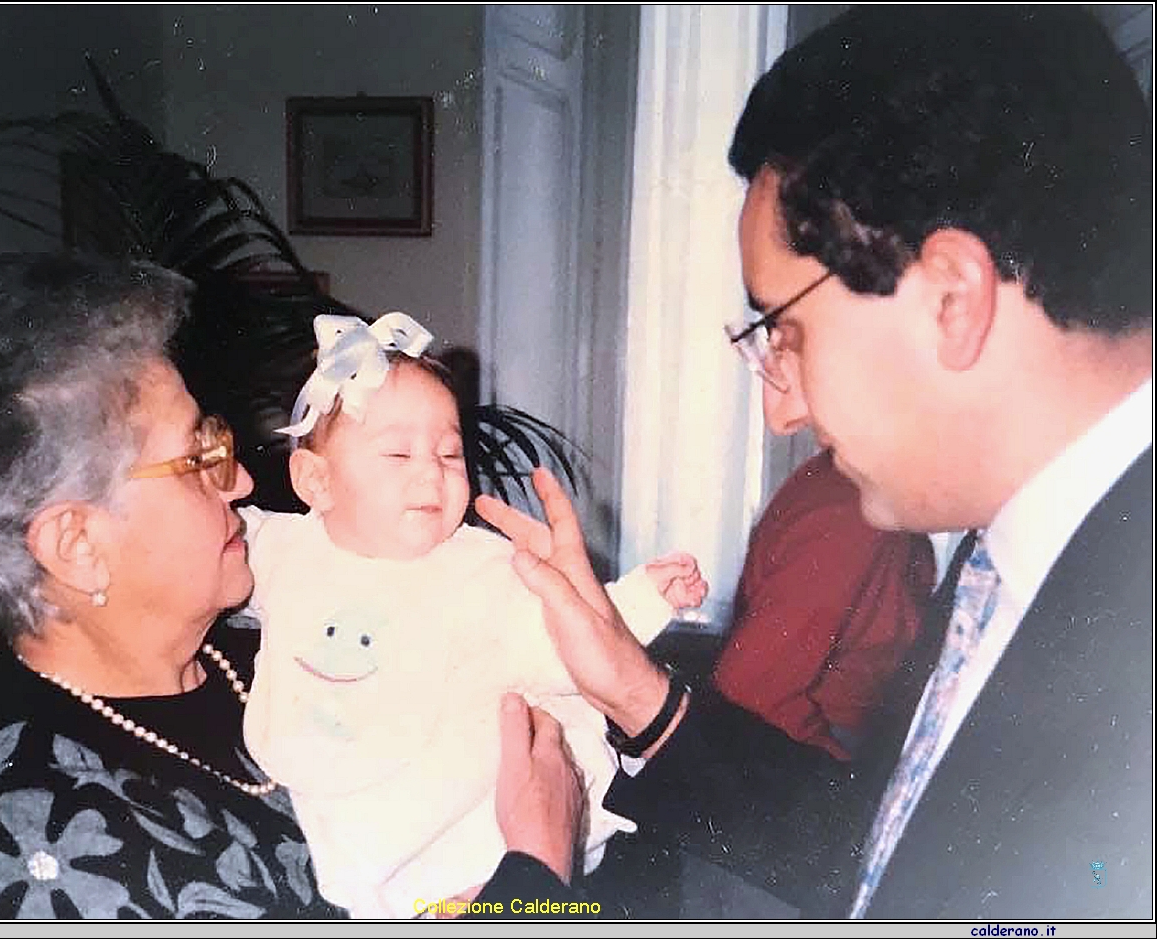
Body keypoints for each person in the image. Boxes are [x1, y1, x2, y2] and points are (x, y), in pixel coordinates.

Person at [481, 5, 1152, 920]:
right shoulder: (1007, 560)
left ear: (952, 299)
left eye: (786, 333)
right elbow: (884, 852)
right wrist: (632, 686)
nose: (781, 408)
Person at [0, 254, 588, 918]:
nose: (239, 480)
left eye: (219, 438)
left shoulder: (251, 635)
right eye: (197, 458)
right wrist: (535, 879)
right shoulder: (40, 845)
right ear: (79, 547)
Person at [238, 311, 707, 917]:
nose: (431, 472)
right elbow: (199, 539)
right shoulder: (286, 551)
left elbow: (565, 632)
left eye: (450, 453)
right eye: (399, 453)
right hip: (346, 835)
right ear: (316, 482)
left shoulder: (477, 569)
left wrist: (643, 598)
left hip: (469, 850)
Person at [713, 446, 936, 761]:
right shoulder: (853, 508)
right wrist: (844, 776)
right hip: (817, 739)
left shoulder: (849, 480)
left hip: (840, 731)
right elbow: (750, 688)